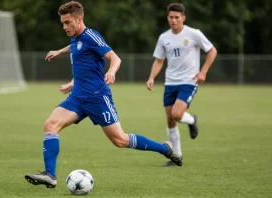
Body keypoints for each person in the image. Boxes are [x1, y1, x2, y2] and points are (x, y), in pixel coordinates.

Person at [25, 1, 182, 188]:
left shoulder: (91, 36)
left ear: (79, 19)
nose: (64, 27)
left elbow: (115, 58)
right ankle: (50, 175)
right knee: (50, 125)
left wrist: (112, 71)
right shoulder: (75, 36)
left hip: (98, 98)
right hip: (77, 98)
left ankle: (165, 148)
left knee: (120, 140)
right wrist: (61, 55)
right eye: (63, 23)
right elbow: (78, 50)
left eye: (67, 23)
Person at [146, 3, 217, 166]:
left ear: (183, 18)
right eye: (171, 17)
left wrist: (203, 72)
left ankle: (191, 120)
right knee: (170, 120)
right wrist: (151, 77)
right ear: (167, 18)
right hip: (170, 82)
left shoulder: (194, 34)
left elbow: (212, 50)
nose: (174, 20)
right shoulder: (164, 37)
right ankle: (176, 157)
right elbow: (159, 60)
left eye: (177, 17)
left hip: (189, 81)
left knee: (177, 114)